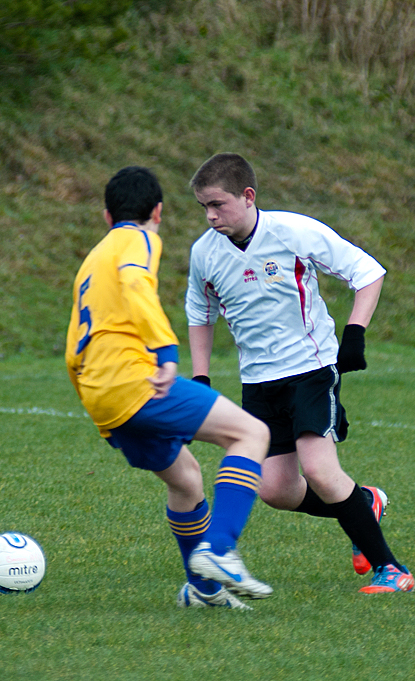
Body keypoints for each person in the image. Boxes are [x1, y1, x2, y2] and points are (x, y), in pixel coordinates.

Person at [185, 152, 415, 594]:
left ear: (248, 197)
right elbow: (200, 312)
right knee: (276, 489)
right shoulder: (205, 253)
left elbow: (367, 272)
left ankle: (392, 570)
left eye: (219, 205)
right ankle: (365, 502)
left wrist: (355, 333)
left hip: (311, 369)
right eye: (204, 208)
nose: (211, 216)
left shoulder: (292, 231)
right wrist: (201, 378)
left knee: (322, 472)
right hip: (258, 381)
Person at [65, 166, 273, 610]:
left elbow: (75, 341)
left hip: (100, 395)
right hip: (133, 382)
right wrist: (165, 349)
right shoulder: (138, 238)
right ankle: (219, 551)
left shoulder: (93, 257)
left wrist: (98, 408)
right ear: (157, 211)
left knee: (186, 480)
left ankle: (203, 590)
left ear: (105, 215)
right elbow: (137, 284)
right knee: (251, 433)